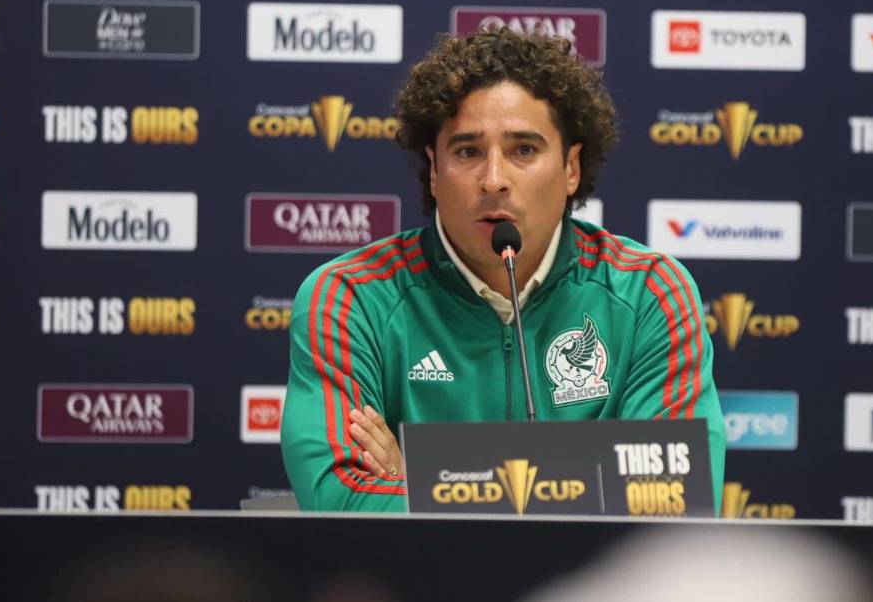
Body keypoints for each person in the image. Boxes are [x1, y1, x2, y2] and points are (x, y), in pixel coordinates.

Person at [280, 27, 725, 512]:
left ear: (571, 168)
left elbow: (672, 499)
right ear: (433, 168)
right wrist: (582, 487)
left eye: (524, 151)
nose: (494, 180)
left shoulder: (647, 294)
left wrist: (426, 484)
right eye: (468, 152)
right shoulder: (352, 297)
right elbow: (339, 500)